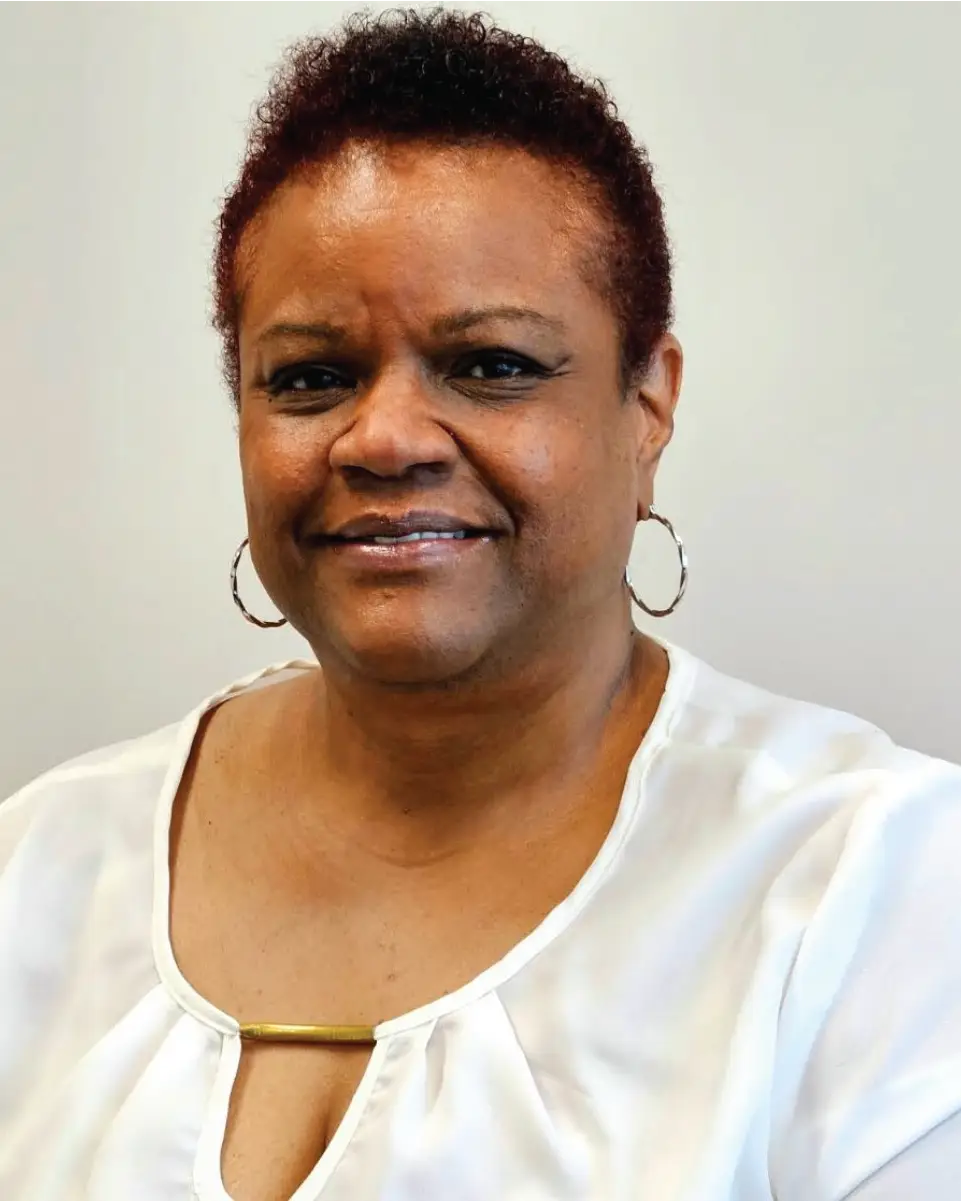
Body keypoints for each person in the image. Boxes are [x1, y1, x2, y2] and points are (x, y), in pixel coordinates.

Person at [1, 9, 960, 1201]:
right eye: (309, 377)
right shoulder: (41, 867)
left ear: (647, 402)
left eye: (493, 364)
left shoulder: (873, 886)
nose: (386, 436)